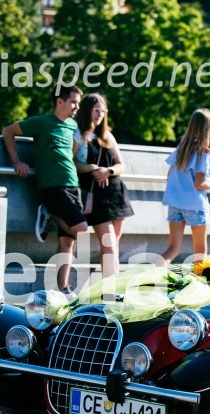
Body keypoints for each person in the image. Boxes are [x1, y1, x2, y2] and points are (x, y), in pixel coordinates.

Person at [2, 85, 84, 297]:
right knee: (81, 228)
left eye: (78, 103)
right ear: (60, 101)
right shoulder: (42, 122)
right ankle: (51, 213)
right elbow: (8, 131)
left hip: (73, 184)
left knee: (67, 241)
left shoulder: (73, 125)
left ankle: (62, 289)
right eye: (73, 102)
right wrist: (16, 161)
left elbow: (72, 153)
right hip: (52, 186)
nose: (77, 107)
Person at [73, 93, 134, 279]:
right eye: (95, 110)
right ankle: (110, 290)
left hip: (115, 193)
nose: (99, 115)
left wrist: (109, 170)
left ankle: (112, 288)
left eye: (102, 111)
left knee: (113, 245)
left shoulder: (108, 136)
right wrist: (91, 168)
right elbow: (72, 162)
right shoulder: (77, 134)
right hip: (95, 195)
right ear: (86, 111)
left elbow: (121, 165)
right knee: (108, 244)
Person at [159, 108, 210, 265]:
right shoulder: (203, 154)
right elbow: (199, 184)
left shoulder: (180, 150)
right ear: (209, 130)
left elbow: (169, 176)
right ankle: (199, 287)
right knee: (200, 253)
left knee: (172, 250)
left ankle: (152, 277)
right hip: (195, 206)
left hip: (175, 204)